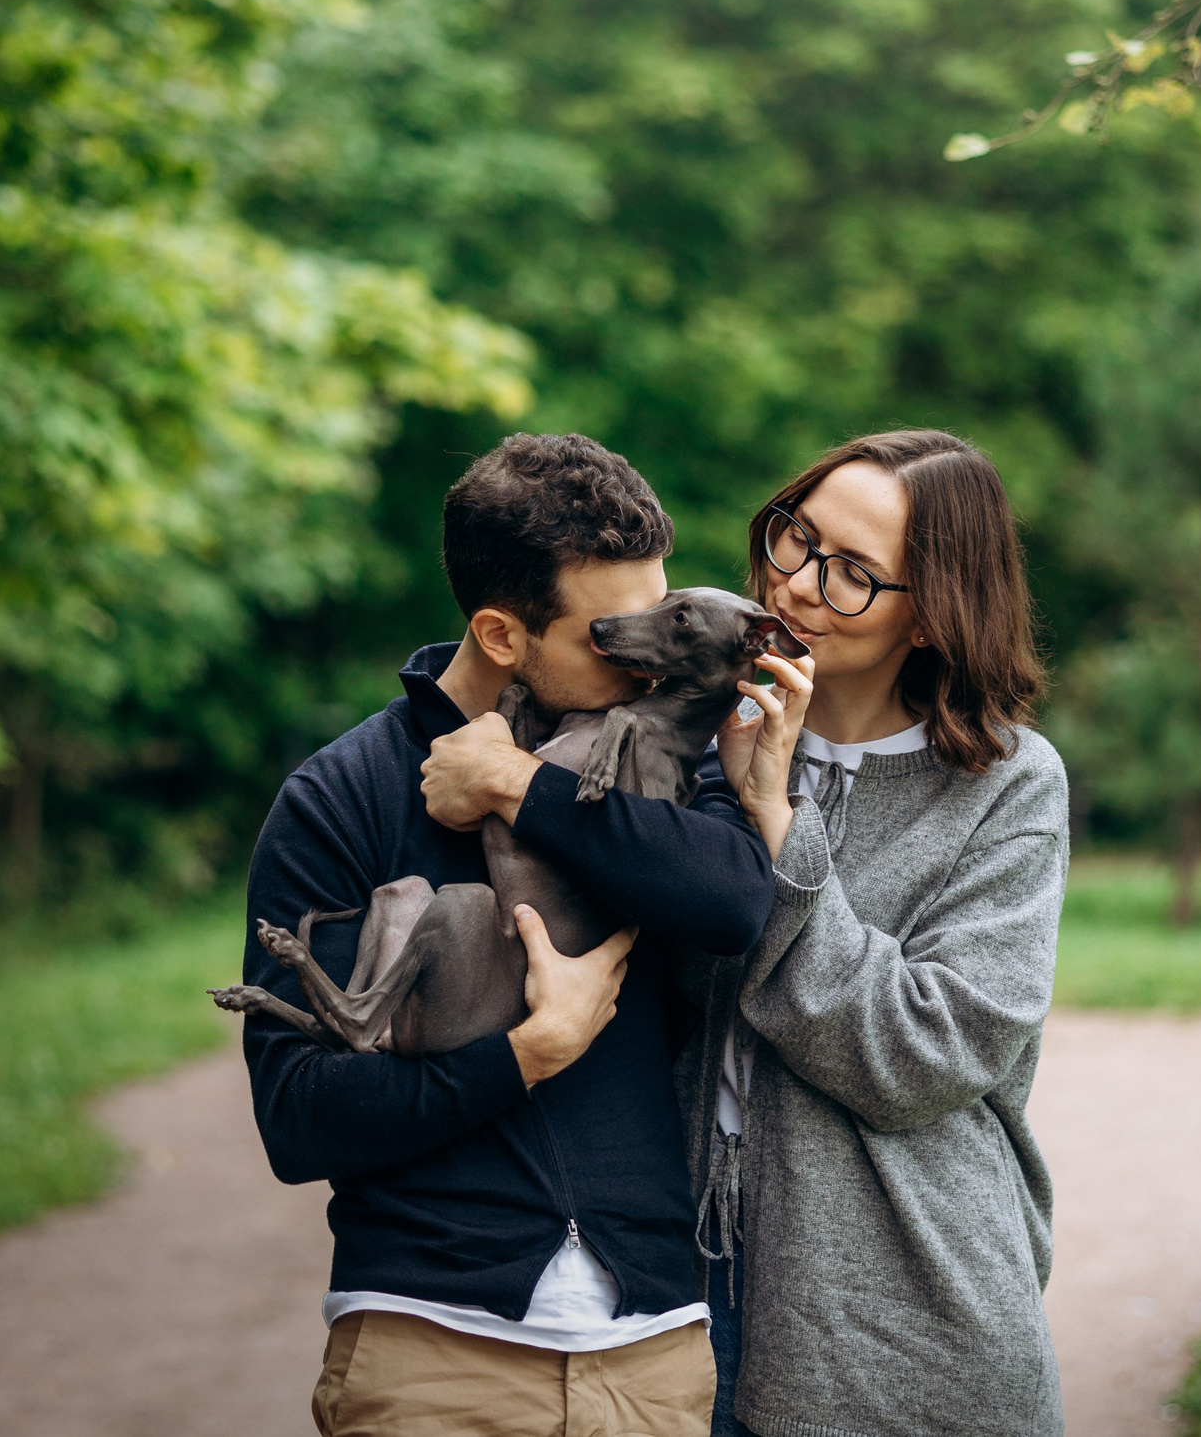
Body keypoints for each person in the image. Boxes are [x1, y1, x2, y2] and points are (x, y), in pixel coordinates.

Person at [234, 432, 788, 1437]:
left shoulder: (658, 745)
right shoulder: (341, 796)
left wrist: (517, 788)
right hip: (427, 1353)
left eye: (659, 613)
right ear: (501, 634)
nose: (641, 652)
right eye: (605, 632)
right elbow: (299, 1120)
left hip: (652, 1353)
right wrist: (522, 1058)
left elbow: (735, 905)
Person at [686, 429, 1069, 1437]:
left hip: (904, 1326)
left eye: (853, 573)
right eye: (795, 539)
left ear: (933, 619)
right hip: (674, 1296)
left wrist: (774, 818)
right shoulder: (681, 734)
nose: (799, 586)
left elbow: (925, 1051)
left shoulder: (1006, 786)